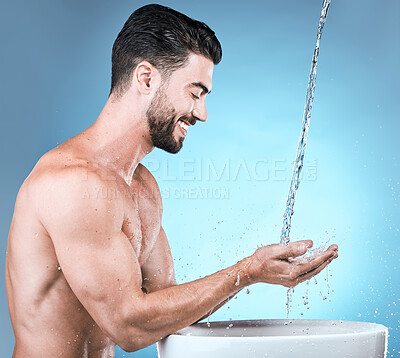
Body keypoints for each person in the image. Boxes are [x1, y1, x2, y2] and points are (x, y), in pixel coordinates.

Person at [5, 4, 338, 357]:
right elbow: (129, 326)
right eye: (195, 93)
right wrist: (247, 272)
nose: (202, 114)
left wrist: (257, 272)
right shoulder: (73, 183)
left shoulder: (142, 188)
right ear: (146, 78)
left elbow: (168, 311)